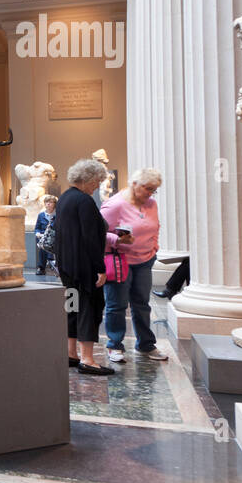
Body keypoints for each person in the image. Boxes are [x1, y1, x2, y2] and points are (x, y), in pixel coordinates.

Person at [100, 167, 168, 362]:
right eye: (148, 188)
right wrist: (117, 240)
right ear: (134, 184)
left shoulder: (151, 204)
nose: (150, 193)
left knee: (142, 304)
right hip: (121, 262)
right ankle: (114, 345)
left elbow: (155, 226)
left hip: (145, 261)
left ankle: (146, 345)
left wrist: (154, 246)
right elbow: (96, 232)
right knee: (117, 305)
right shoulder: (114, 205)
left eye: (154, 190)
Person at [55, 159, 115, 376]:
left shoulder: (64, 198)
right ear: (88, 179)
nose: (97, 186)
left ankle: (71, 353)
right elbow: (90, 238)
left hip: (67, 268)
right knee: (89, 308)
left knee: (72, 307)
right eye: (97, 181)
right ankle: (88, 360)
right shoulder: (84, 201)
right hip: (85, 268)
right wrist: (100, 268)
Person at [33, 194, 57, 274]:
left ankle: (51, 263)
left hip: (54, 236)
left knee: (48, 242)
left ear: (54, 204)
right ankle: (42, 267)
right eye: (46, 202)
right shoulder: (41, 215)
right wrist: (37, 233)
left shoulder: (57, 215)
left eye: (50, 202)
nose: (48, 204)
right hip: (43, 236)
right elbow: (37, 228)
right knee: (42, 242)